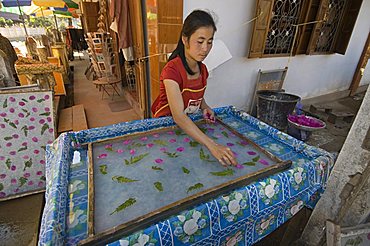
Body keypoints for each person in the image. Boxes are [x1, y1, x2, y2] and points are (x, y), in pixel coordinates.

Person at [151, 10, 237, 167]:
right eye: (200, 41)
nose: (205, 48)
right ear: (185, 39)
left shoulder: (202, 69)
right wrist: (213, 146)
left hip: (185, 128)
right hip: (164, 128)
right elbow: (178, 116)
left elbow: (197, 94)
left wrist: (205, 107)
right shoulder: (172, 71)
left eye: (210, 42)